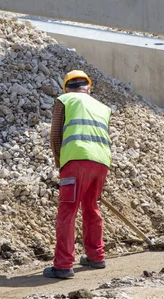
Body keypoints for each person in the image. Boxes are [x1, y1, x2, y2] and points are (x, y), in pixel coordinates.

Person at [43, 70, 112, 279]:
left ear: (67, 88)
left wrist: (60, 163)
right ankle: (96, 256)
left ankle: (63, 265)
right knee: (91, 207)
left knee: (67, 210)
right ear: (88, 88)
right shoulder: (103, 107)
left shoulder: (64, 100)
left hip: (75, 160)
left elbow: (56, 135)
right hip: (101, 161)